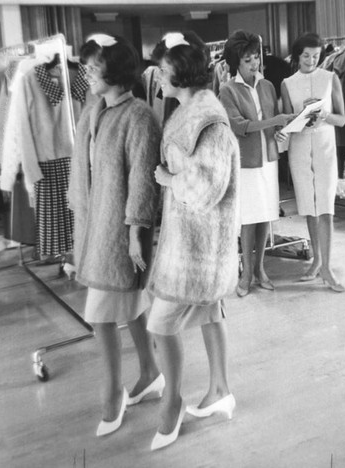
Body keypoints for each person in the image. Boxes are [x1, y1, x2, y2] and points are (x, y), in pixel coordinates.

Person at [146, 31, 241, 450]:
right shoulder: (191, 109)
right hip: (195, 241)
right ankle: (221, 389)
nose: (158, 78)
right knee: (209, 311)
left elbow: (206, 188)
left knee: (161, 322)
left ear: (181, 72)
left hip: (196, 247)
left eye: (164, 71)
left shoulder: (208, 118)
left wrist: (167, 177)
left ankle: (173, 400)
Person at [68, 33, 164, 437]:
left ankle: (113, 392)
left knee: (100, 317)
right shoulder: (95, 109)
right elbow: (84, 172)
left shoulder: (138, 115)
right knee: (131, 306)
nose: (88, 74)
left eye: (94, 67)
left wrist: (134, 234)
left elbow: (143, 182)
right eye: (87, 66)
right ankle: (150, 371)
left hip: (121, 234)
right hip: (95, 226)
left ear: (116, 70)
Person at [219, 30, 295, 297]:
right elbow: (239, 126)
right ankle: (247, 273)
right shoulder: (227, 90)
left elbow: (270, 124)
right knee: (248, 220)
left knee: (265, 216)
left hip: (268, 159)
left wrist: (278, 131)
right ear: (236, 62)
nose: (255, 63)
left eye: (256, 57)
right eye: (248, 59)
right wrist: (273, 122)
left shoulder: (267, 86)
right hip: (246, 163)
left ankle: (261, 268)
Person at [280, 32, 345, 292]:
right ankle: (316, 260)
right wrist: (300, 116)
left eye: (316, 56)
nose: (311, 60)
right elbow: (286, 121)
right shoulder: (287, 83)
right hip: (298, 147)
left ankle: (327, 268)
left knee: (326, 207)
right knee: (308, 206)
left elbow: (342, 120)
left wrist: (324, 115)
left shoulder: (330, 78)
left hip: (325, 147)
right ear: (297, 55)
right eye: (306, 55)